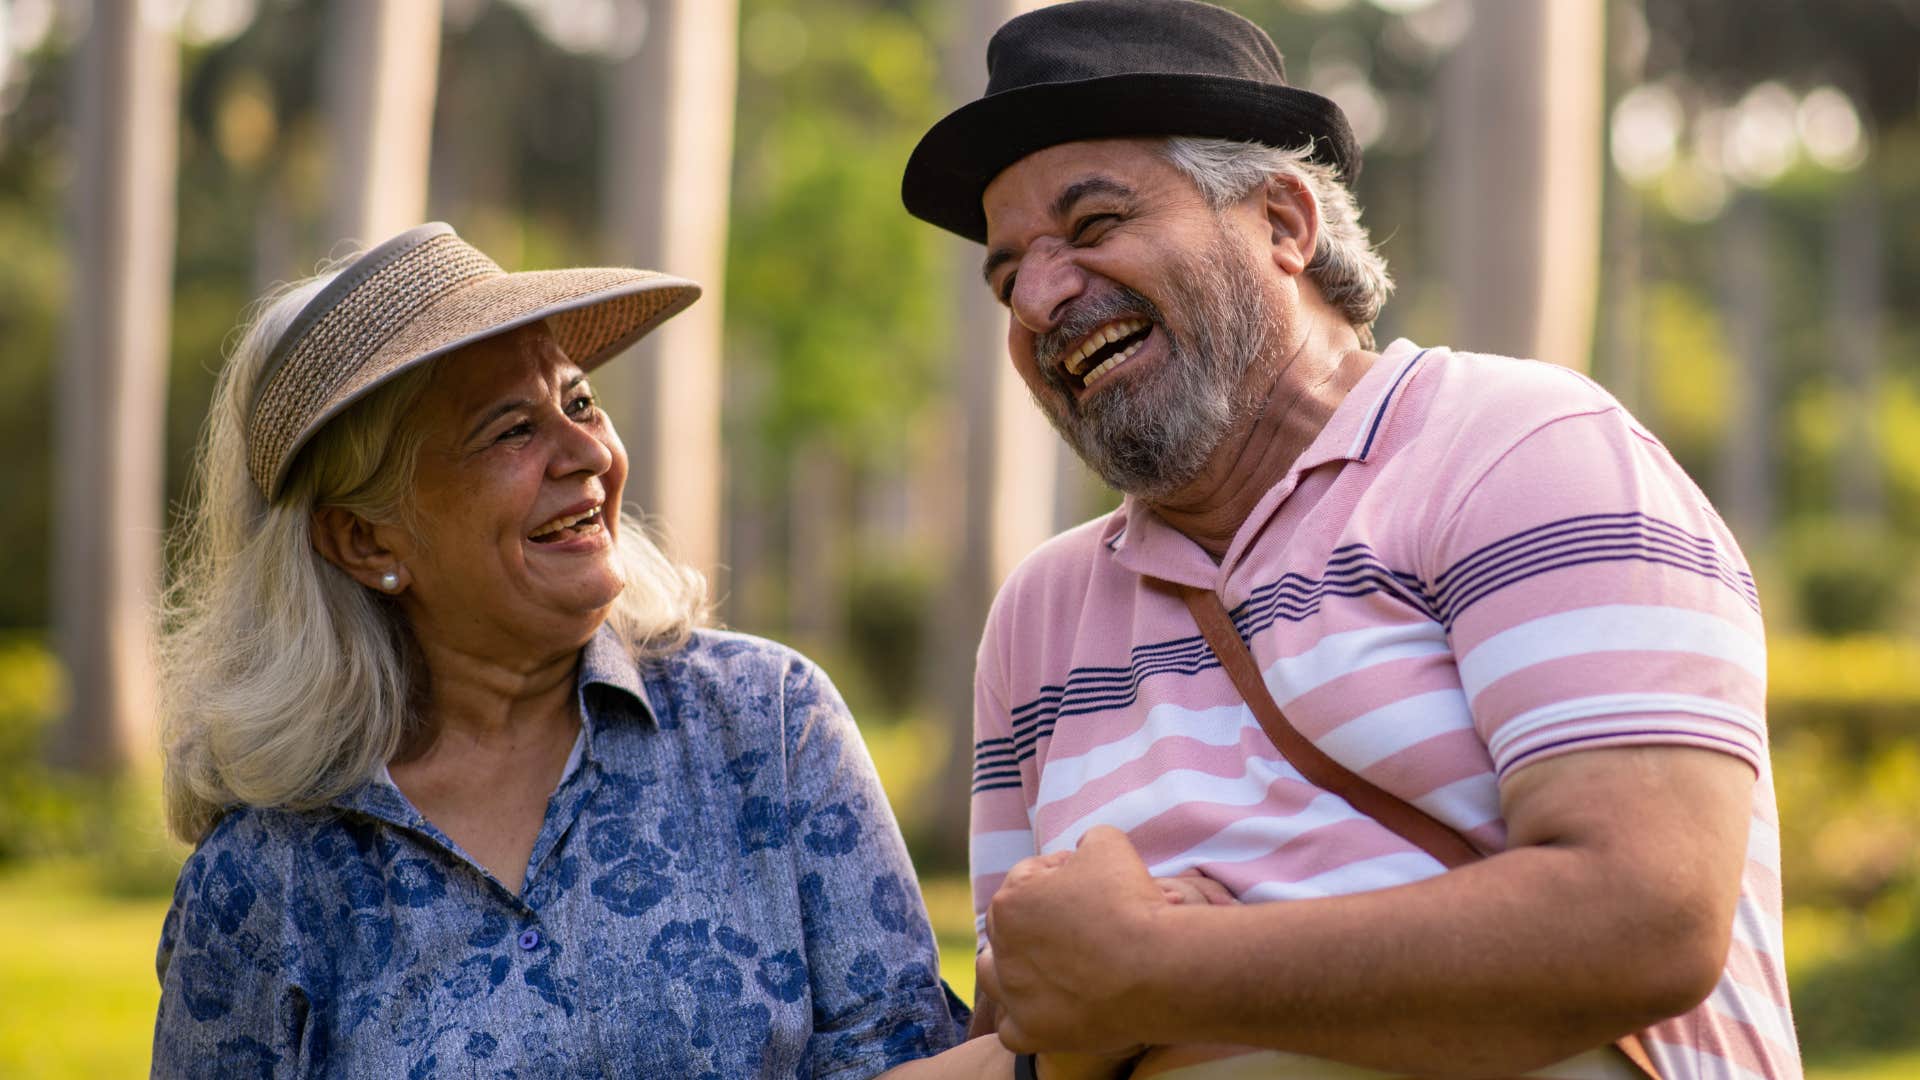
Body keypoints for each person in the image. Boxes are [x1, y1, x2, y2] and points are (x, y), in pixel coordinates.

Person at [900, 2, 1799, 1077]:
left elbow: (1645, 919)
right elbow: (1037, 1015)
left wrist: (1162, 962)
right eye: (1009, 275)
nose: (1042, 296)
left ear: (1284, 222)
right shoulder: (1040, 617)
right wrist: (1078, 986)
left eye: (1093, 227)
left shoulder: (1519, 448)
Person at [151, 222, 1141, 1079]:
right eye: (508, 430)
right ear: (365, 541)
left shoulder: (766, 723)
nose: (584, 453)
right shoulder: (263, 880)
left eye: (580, 404)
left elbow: (901, 1062)